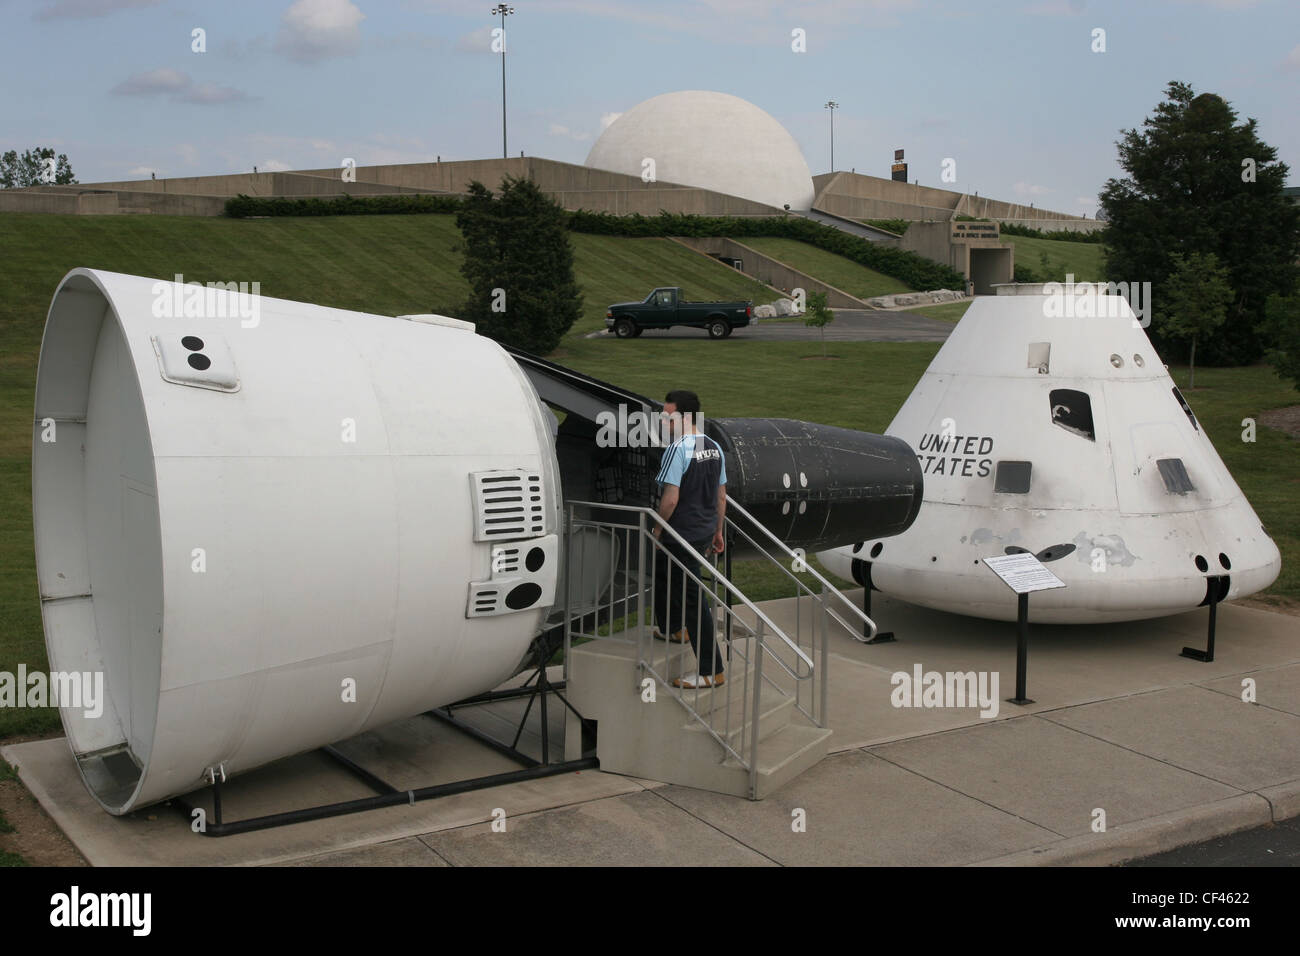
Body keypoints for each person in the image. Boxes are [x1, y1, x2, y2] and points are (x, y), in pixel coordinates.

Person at [650, 390, 727, 688]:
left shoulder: (677, 449)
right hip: (703, 531)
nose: (665, 422)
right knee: (662, 572)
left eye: (670, 417)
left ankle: (711, 670)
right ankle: (671, 627)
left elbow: (670, 500)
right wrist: (718, 531)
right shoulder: (714, 447)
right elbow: (721, 496)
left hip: (680, 534)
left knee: (693, 600)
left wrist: (657, 530)